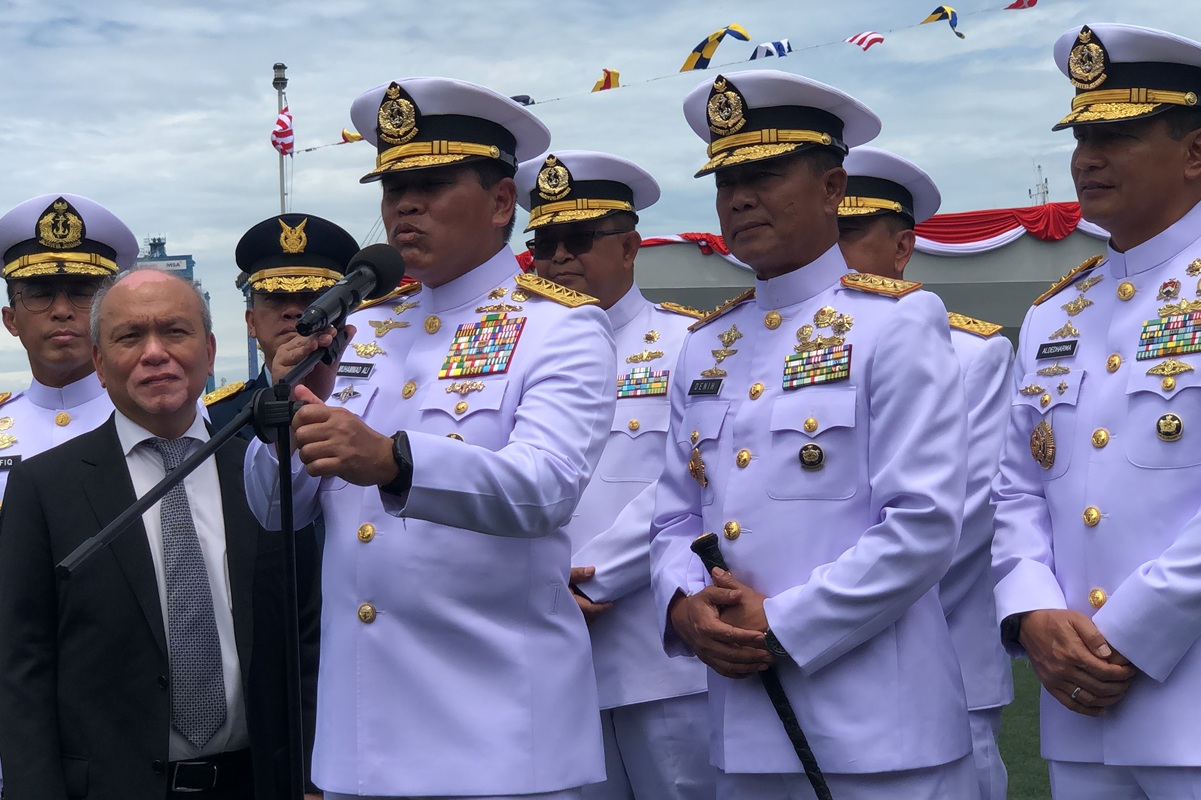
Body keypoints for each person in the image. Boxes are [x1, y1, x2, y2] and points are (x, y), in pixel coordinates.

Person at [244, 77, 617, 800]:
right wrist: (285, 416)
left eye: (431, 185)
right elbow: (273, 510)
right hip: (363, 736)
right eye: (393, 188)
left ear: (502, 202)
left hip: (498, 737)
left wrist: (392, 462)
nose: (404, 205)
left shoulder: (561, 325)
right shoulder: (363, 327)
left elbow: (546, 488)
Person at [649, 70, 977, 799]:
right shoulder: (705, 345)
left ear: (832, 188)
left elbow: (922, 522)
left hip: (879, 734)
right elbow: (674, 516)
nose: (738, 197)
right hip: (742, 729)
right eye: (726, 180)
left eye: (763, 174)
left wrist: (783, 624)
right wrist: (683, 604)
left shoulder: (896, 321)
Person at [0, 268, 321, 800]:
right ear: (99, 362)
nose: (155, 353)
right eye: (129, 337)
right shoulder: (44, 486)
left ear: (210, 351)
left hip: (260, 782)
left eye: (175, 331)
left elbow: (306, 633)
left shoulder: (264, 471)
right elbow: (21, 665)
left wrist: (313, 778)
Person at [991, 22, 1201, 798]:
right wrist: (1031, 612)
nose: (1086, 157)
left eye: (1116, 135)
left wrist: (1133, 629)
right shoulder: (1055, 313)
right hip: (1078, 712)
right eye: (1081, 135)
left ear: (1194, 151)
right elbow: (1015, 488)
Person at [515, 149, 715, 800]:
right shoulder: (512, 353)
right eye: (543, 245)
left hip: (653, 655)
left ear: (629, 247)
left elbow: (694, 477)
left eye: (577, 239)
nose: (558, 259)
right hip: (541, 652)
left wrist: (598, 579)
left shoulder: (691, 344)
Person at [836, 145, 1014, 800]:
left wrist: (810, 611)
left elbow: (964, 517)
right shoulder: (769, 351)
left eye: (849, 231)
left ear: (903, 246)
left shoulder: (972, 353)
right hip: (791, 657)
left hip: (938, 665)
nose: (832, 250)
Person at [0, 193, 138, 504]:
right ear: (11, 320)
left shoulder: (159, 416)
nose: (62, 311)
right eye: (39, 294)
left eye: (82, 292)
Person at [205, 212, 361, 439]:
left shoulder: (373, 404)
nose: (293, 311)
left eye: (312, 298)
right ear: (251, 322)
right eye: (275, 298)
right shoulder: (217, 419)